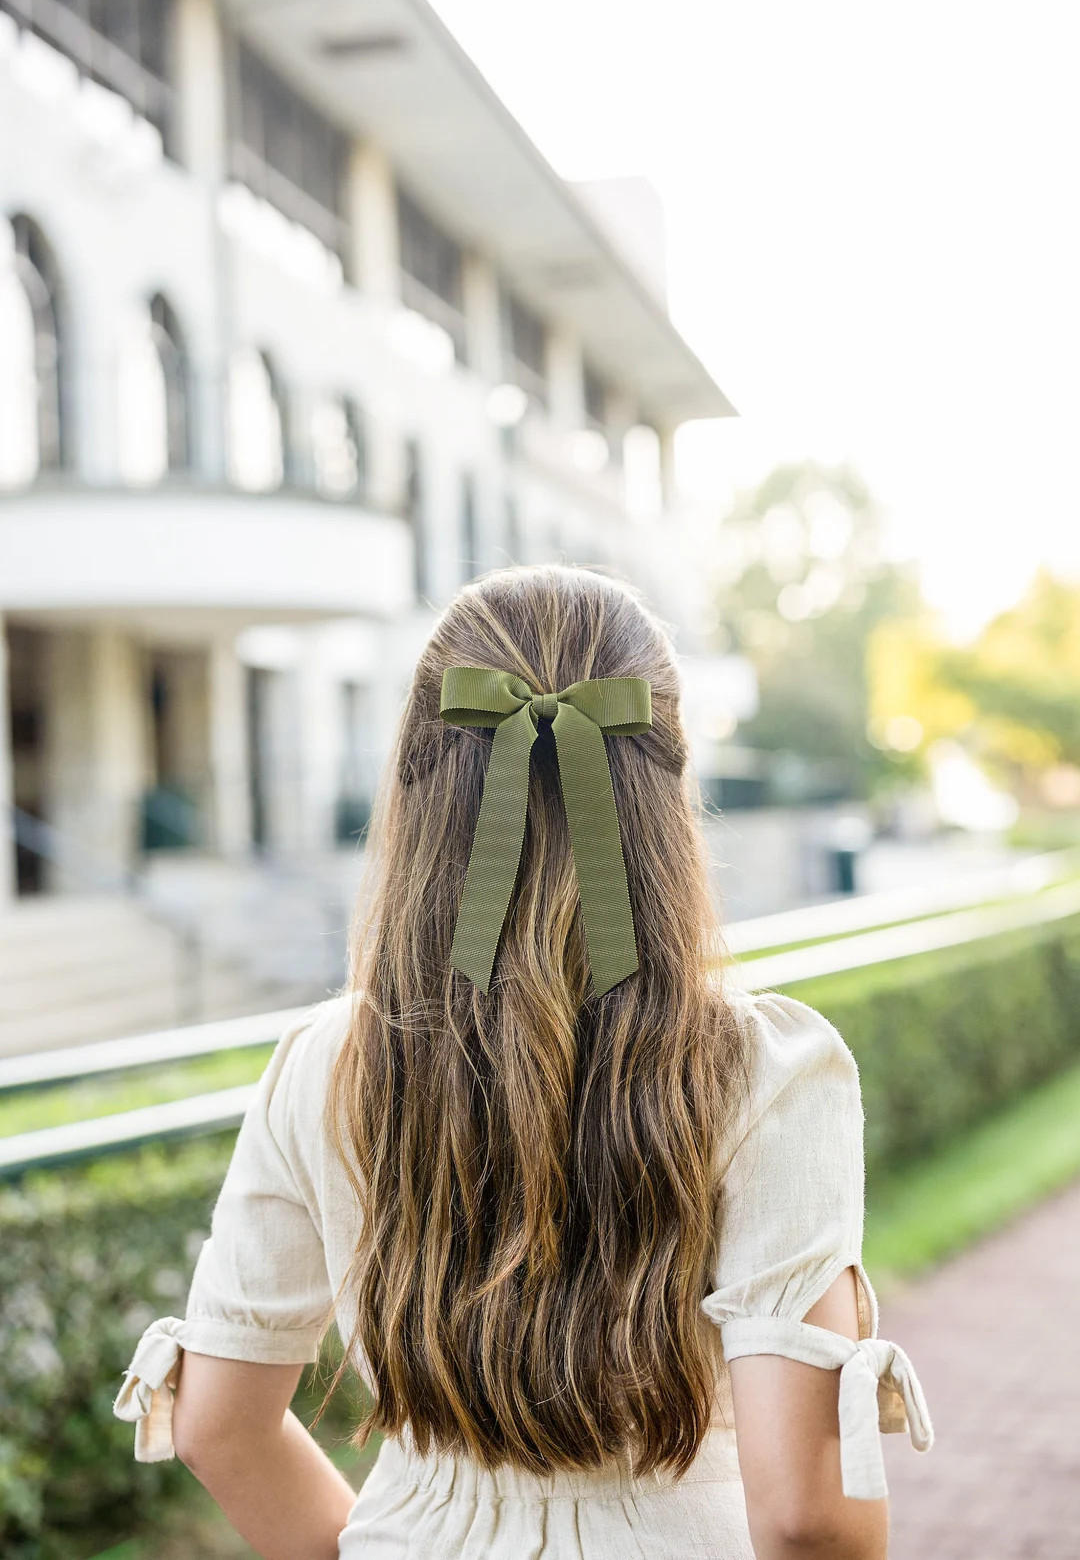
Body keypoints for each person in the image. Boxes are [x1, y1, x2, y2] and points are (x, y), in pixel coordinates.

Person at [115, 565, 931, 1559]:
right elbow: (807, 1516)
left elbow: (217, 1424)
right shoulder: (765, 1070)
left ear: (418, 785)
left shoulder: (325, 1065)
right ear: (669, 790)